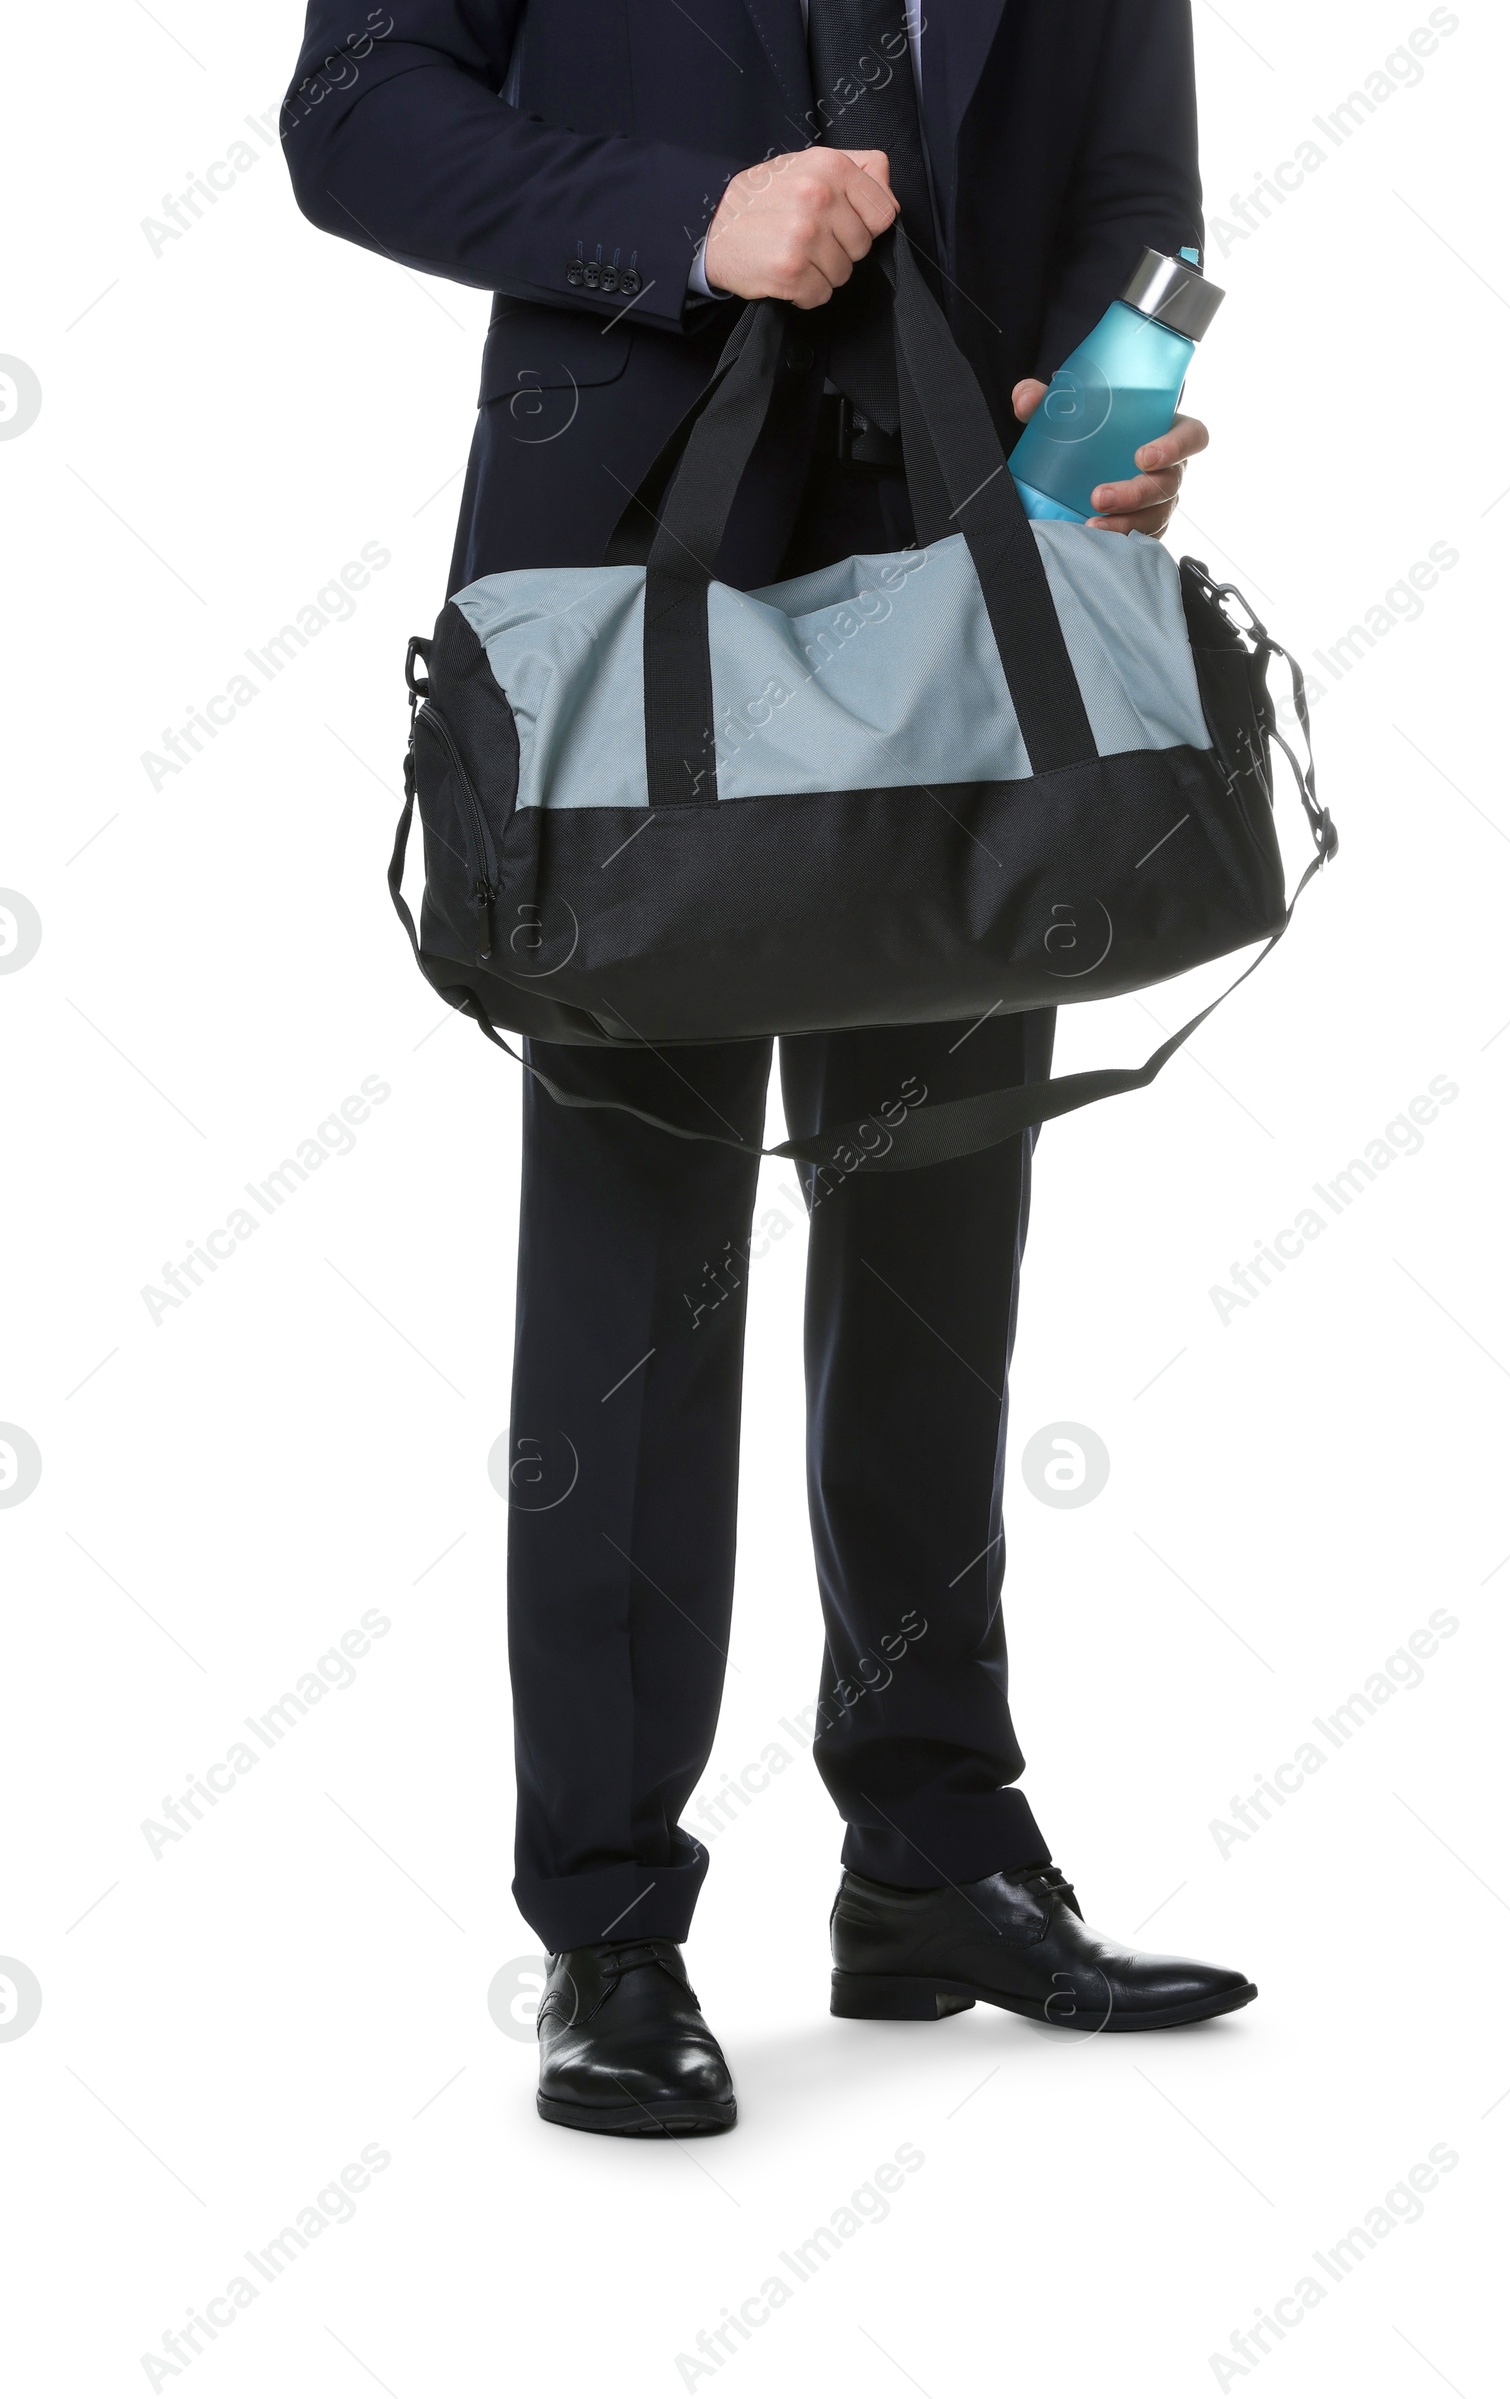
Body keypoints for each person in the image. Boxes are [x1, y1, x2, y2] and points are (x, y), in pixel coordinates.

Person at [284, 0, 1255, 2139]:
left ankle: (932, 1857)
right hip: (628, 562)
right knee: (636, 1291)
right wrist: (689, 223)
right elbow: (349, 120)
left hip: (973, 564)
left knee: (934, 1260)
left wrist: (1107, 404)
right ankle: (610, 1928)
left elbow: (1132, 179)